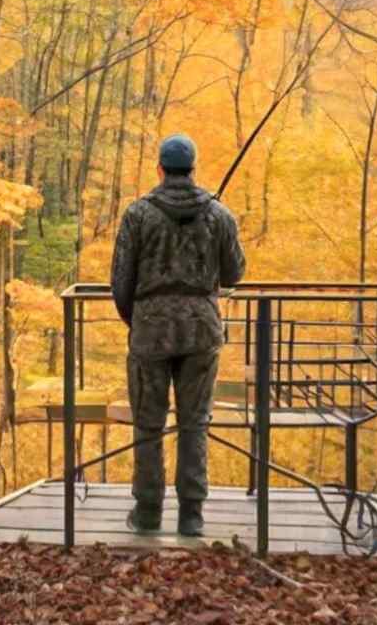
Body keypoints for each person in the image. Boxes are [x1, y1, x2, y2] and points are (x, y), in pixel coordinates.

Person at [110, 133, 245, 537]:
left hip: (151, 331)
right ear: (193, 169)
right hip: (202, 330)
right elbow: (235, 273)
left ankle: (148, 511)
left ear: (160, 168)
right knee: (194, 423)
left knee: (149, 424)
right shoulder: (219, 215)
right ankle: (192, 515)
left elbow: (121, 282)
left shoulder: (138, 215)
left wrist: (139, 320)